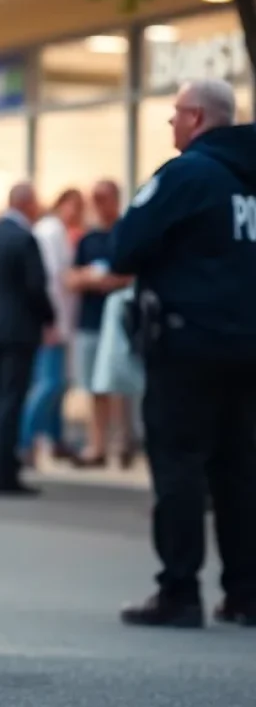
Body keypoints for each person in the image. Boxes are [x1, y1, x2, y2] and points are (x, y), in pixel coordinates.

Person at [110, 78, 256, 628]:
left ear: (195, 118)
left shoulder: (187, 175)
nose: (171, 123)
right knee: (240, 470)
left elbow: (126, 247)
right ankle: (245, 592)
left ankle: (180, 590)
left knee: (180, 466)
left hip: (187, 345)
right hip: (248, 346)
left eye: (175, 114)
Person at [0, 182, 55, 496]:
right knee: (11, 400)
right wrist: (49, 318)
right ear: (27, 204)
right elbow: (36, 287)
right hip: (18, 330)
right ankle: (4, 473)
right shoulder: (25, 239)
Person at [65, 180, 135, 467]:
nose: (99, 204)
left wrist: (109, 281)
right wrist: (90, 280)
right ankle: (98, 444)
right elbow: (70, 278)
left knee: (121, 386)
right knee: (95, 387)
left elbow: (133, 274)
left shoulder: (127, 232)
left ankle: (124, 442)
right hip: (91, 322)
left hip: (120, 323)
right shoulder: (88, 240)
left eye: (103, 198)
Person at [18, 188, 85, 468]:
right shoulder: (50, 232)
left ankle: (56, 439)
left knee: (59, 385)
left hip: (61, 320)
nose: (77, 213)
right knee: (49, 384)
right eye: (73, 206)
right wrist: (50, 322)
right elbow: (49, 281)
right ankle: (25, 441)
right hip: (53, 322)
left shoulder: (57, 232)